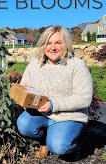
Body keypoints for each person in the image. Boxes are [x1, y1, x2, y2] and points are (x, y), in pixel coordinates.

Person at [16, 25, 93, 159]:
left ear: (66, 44)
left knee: (59, 146)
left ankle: (74, 144)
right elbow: (25, 87)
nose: (53, 47)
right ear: (43, 45)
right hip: (41, 113)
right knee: (23, 124)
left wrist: (53, 104)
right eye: (49, 43)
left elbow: (84, 98)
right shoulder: (34, 65)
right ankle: (43, 142)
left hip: (69, 116)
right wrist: (20, 93)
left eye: (58, 43)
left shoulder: (77, 65)